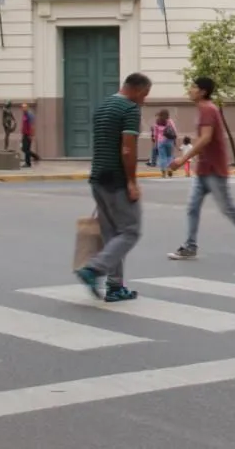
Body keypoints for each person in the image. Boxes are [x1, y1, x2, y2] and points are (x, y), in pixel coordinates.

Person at [167, 76, 235, 261]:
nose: (190, 89)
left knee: (227, 208)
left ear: (203, 91)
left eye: (193, 87)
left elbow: (205, 138)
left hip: (214, 169)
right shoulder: (204, 109)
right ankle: (190, 245)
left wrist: (183, 159)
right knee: (192, 207)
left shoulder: (208, 109)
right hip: (204, 168)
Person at [74, 72, 151, 302]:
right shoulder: (129, 110)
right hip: (117, 179)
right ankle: (94, 269)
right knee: (130, 231)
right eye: (145, 95)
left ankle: (115, 286)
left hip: (98, 178)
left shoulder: (103, 106)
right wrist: (132, 182)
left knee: (111, 235)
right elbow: (127, 149)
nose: (144, 100)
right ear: (136, 90)